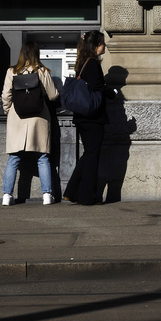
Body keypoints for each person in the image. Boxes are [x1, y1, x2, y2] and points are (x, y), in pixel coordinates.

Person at [1, 43, 60, 206]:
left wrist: (8, 111)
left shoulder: (11, 71)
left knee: (14, 158)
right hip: (38, 117)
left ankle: (7, 195)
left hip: (17, 117)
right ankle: (47, 195)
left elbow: (6, 95)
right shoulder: (42, 71)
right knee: (42, 157)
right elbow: (53, 95)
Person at [63, 31, 110, 206]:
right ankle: (86, 196)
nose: (104, 46)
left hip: (82, 117)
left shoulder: (82, 63)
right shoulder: (93, 64)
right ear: (96, 45)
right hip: (93, 117)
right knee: (92, 156)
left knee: (88, 154)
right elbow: (97, 86)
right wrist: (111, 92)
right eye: (102, 43)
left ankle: (71, 191)